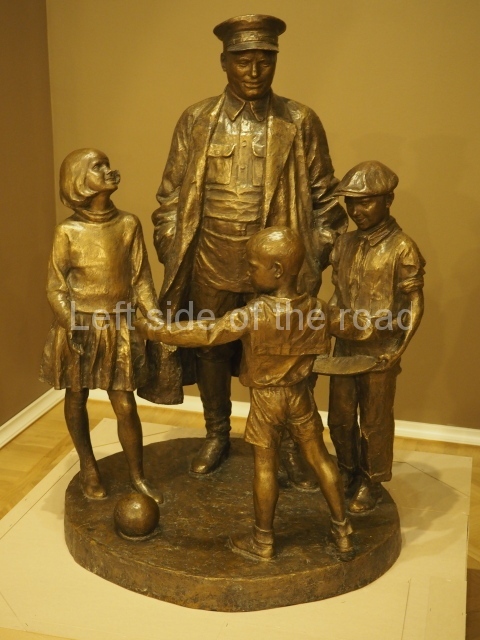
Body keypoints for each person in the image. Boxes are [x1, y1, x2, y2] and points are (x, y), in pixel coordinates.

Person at [139, 14, 347, 484]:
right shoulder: (197, 120)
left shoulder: (299, 121)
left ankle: (288, 443)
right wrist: (172, 244)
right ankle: (217, 432)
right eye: (242, 61)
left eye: (264, 62)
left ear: (276, 62)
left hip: (279, 269)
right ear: (223, 62)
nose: (254, 72)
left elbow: (326, 200)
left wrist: (312, 256)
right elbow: (170, 196)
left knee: (284, 352)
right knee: (211, 350)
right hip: (212, 258)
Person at [137, 227, 354, 561]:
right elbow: (355, 326)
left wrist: (157, 331)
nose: (248, 273)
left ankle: (263, 540)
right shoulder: (317, 309)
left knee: (265, 468)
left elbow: (207, 332)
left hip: (267, 402)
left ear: (277, 270)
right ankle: (343, 532)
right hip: (300, 398)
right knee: (321, 459)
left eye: (253, 267)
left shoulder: (253, 314)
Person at [40, 148, 163, 503]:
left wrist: (154, 317)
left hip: (118, 326)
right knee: (76, 396)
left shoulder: (128, 224)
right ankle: (88, 465)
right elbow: (56, 286)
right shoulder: (67, 232)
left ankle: (137, 474)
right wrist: (71, 323)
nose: (110, 171)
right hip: (79, 327)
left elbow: (141, 279)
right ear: (79, 180)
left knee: (125, 405)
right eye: (99, 167)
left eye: (108, 164)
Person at [327, 161, 425, 512]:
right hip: (344, 349)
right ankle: (347, 470)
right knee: (339, 418)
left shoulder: (402, 248)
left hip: (380, 351)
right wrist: (327, 329)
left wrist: (398, 349)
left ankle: (371, 479)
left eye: (365, 202)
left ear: (388, 200)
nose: (357, 210)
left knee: (374, 422)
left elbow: (415, 303)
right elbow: (337, 295)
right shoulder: (344, 244)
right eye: (351, 202)